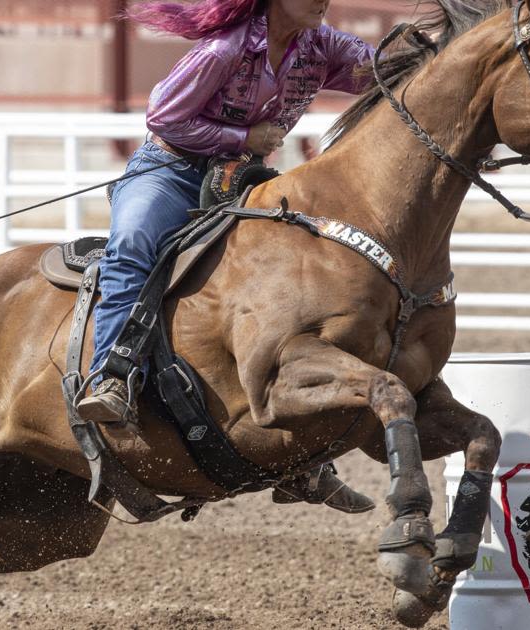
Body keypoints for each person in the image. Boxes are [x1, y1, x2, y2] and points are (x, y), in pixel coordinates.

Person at [77, 0, 376, 513]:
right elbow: (164, 117)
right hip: (170, 171)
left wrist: (426, 48)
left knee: (295, 277)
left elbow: (376, 67)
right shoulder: (226, 47)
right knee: (133, 247)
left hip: (242, 178)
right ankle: (110, 374)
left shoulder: (322, 44)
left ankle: (303, 461)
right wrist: (243, 137)